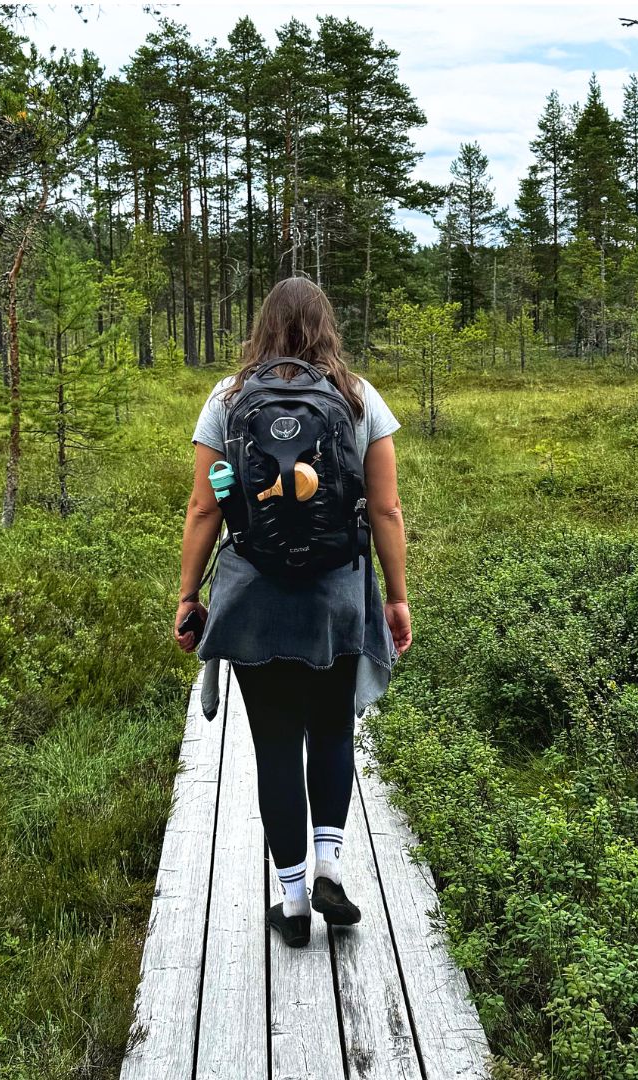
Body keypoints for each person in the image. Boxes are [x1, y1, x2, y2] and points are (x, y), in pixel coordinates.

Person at [174, 276, 412, 948]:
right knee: (333, 730)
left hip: (254, 599)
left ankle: (295, 900)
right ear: (326, 327)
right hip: (337, 596)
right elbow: (387, 509)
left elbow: (204, 508)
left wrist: (189, 597)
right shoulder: (358, 397)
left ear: (262, 328)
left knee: (275, 745)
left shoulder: (228, 399)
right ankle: (331, 863)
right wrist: (396, 597)